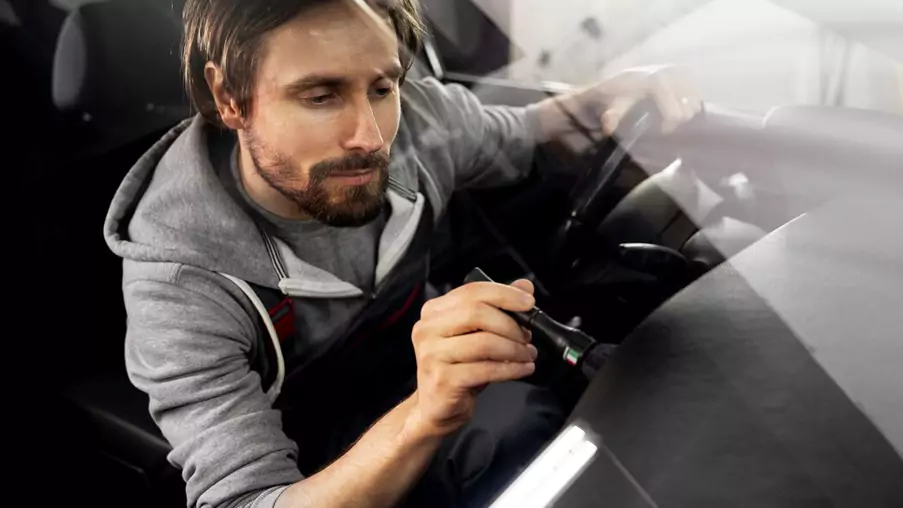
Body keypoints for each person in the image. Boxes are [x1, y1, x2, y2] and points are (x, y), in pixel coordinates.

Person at [103, 1, 700, 507]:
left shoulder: (414, 118)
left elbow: (523, 136)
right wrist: (426, 413)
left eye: (381, 87)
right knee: (514, 427)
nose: (370, 136)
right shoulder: (181, 282)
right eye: (319, 96)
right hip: (323, 454)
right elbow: (250, 499)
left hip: (431, 359)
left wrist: (620, 95)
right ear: (229, 98)